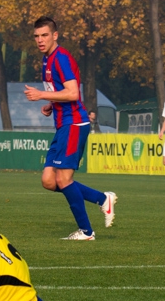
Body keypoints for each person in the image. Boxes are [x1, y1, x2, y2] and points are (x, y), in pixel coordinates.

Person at [24, 17, 117, 240]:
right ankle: (103, 199)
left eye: (44, 35)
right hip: (63, 124)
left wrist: (41, 95)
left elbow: (74, 93)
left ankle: (86, 232)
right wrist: (50, 104)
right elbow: (63, 92)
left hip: (74, 123)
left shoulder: (61, 59)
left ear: (55, 35)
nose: (40, 40)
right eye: (37, 36)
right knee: (49, 180)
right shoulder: (47, 60)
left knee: (64, 180)